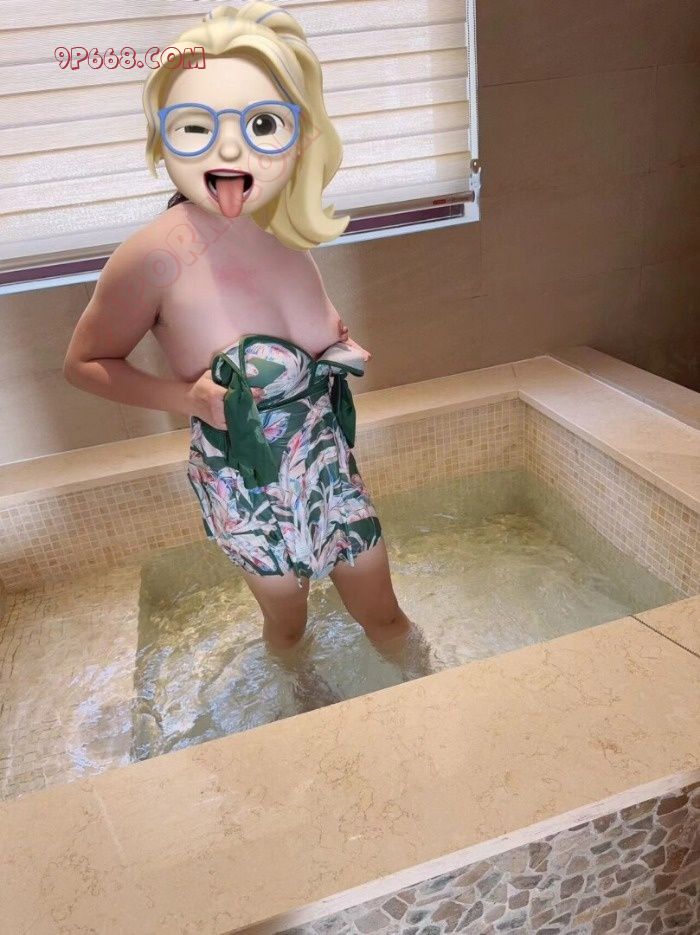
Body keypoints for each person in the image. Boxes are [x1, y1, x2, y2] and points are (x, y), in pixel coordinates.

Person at [63, 2, 439, 703]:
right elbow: (83, 363)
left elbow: (301, 339)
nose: (231, 152)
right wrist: (185, 397)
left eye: (261, 124)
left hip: (327, 468)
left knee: (385, 616)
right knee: (290, 629)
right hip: (247, 484)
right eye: (198, 125)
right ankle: (309, 725)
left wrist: (336, 344)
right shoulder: (154, 257)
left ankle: (441, 707)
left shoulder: (279, 227)